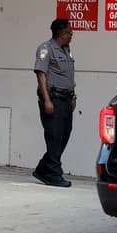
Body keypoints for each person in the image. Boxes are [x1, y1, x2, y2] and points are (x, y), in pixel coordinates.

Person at [33, 18, 76, 188]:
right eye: (69, 32)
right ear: (61, 34)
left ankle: (43, 168)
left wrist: (73, 96)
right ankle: (53, 173)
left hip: (66, 99)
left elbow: (68, 75)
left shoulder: (66, 50)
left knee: (64, 134)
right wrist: (47, 100)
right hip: (53, 99)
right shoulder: (46, 49)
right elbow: (41, 74)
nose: (71, 35)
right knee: (54, 136)